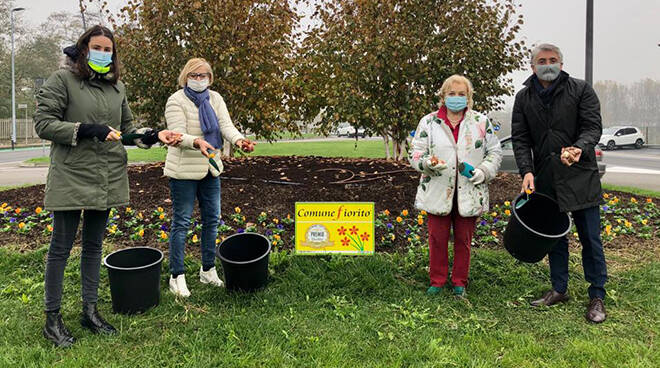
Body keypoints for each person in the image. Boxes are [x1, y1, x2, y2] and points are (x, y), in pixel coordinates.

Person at [34, 25, 181, 347]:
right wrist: (87, 129)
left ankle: (90, 310)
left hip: (107, 175)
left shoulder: (118, 89)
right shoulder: (63, 81)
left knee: (94, 247)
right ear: (83, 49)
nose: (103, 53)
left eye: (108, 49)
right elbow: (44, 124)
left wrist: (154, 135)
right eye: (97, 47)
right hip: (72, 173)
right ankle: (52, 319)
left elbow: (127, 130)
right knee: (60, 248)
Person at [511, 43, 607, 323]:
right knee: (555, 238)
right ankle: (559, 288)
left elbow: (592, 127)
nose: (548, 64)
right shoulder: (524, 97)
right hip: (547, 177)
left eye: (553, 60)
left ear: (562, 64)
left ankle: (597, 295)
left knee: (590, 238)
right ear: (533, 66)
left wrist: (579, 147)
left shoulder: (580, 90)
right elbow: (521, 139)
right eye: (542, 60)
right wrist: (527, 171)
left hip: (580, 175)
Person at [164, 58, 255, 297]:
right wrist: (195, 141)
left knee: (212, 220)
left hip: (211, 168)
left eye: (204, 75)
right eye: (194, 75)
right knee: (182, 222)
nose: (199, 79)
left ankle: (208, 269)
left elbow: (226, 125)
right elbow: (176, 134)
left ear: (210, 78)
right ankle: (177, 275)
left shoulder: (216, 99)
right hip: (184, 170)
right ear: (186, 77)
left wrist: (239, 140)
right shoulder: (176, 100)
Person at [409, 75, 502, 297]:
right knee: (437, 239)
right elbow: (416, 151)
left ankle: (459, 281)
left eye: (462, 94)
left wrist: (483, 171)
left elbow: (494, 152)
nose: (456, 98)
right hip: (438, 189)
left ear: (469, 97)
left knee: (464, 239)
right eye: (452, 94)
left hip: (469, 191)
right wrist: (427, 163)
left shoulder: (481, 122)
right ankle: (437, 280)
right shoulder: (429, 122)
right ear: (443, 96)